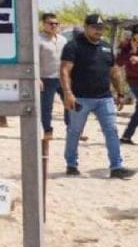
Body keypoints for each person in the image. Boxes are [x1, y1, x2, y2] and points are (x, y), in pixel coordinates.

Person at [60, 14, 131, 179]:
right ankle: (71, 164)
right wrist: (67, 93)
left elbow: (114, 72)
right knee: (75, 131)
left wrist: (120, 93)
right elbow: (65, 70)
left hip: (104, 98)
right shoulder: (73, 46)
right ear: (86, 27)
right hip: (80, 98)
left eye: (101, 28)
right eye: (95, 27)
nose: (99, 31)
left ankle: (116, 167)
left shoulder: (106, 47)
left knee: (112, 131)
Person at [38, 12, 68, 141]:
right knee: (46, 107)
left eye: (56, 23)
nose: (54, 26)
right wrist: (37, 78)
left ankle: (73, 129)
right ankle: (47, 131)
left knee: (70, 103)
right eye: (51, 23)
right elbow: (35, 61)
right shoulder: (38, 39)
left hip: (62, 77)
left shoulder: (63, 40)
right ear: (44, 24)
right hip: (46, 78)